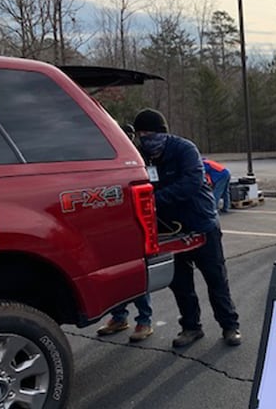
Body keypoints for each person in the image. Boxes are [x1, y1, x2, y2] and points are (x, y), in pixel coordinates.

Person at [133, 108, 242, 348]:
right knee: (181, 285)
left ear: (161, 133)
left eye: (149, 133)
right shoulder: (143, 156)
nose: (145, 139)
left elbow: (191, 183)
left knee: (216, 280)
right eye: (141, 134)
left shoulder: (185, 150)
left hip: (201, 225)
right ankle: (191, 327)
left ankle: (229, 326)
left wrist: (152, 200)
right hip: (170, 231)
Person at [97, 123, 154, 342]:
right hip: (108, 222)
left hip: (132, 223)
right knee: (115, 276)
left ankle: (144, 321)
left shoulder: (136, 158)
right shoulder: (104, 159)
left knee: (135, 274)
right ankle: (119, 317)